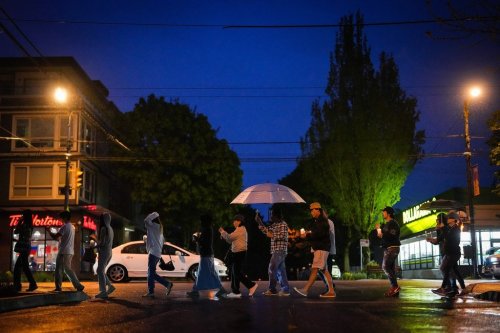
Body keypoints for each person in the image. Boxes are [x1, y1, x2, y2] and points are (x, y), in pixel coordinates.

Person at [293, 202, 335, 298]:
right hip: (321, 248)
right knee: (324, 270)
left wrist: (307, 235)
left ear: (318, 210)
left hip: (321, 248)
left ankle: (305, 289)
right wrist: (307, 235)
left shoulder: (322, 221)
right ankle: (331, 291)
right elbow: (316, 234)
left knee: (315, 269)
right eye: (310, 210)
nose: (311, 212)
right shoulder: (318, 221)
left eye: (313, 210)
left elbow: (318, 235)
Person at [219, 214, 258, 298]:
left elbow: (230, 237)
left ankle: (251, 285)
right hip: (237, 253)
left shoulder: (240, 229)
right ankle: (236, 291)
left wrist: (222, 232)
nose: (233, 222)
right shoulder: (239, 229)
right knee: (234, 272)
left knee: (236, 272)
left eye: (235, 221)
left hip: (239, 253)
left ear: (239, 221)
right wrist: (224, 235)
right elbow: (230, 240)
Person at [188, 214, 226, 300]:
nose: (200, 222)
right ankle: (195, 291)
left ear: (205, 221)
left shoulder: (207, 230)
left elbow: (205, 243)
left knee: (206, 273)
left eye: (202, 221)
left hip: (206, 254)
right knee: (205, 272)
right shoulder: (208, 229)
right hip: (207, 254)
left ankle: (196, 291)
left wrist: (197, 238)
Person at [427, 212, 463, 297]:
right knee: (452, 270)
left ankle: (450, 288)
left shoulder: (448, 228)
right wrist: (431, 239)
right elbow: (438, 240)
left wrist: (441, 229)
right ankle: (453, 288)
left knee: (448, 270)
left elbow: (444, 239)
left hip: (449, 252)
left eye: (438, 219)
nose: (436, 221)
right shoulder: (444, 228)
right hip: (446, 252)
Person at [48, 211, 85, 292]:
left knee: (60, 269)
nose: (61, 219)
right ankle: (78, 285)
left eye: (61, 218)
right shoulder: (72, 227)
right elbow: (61, 238)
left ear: (64, 218)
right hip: (70, 251)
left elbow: (55, 237)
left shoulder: (64, 227)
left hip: (63, 251)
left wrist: (49, 231)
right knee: (67, 269)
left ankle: (61, 287)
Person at [258, 208, 290, 296]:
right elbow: (267, 231)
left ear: (277, 216)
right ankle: (285, 290)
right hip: (276, 250)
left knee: (272, 268)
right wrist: (260, 222)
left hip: (280, 250)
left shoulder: (283, 224)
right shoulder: (275, 225)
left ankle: (272, 289)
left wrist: (272, 235)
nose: (271, 216)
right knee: (281, 270)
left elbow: (283, 236)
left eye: (272, 215)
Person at [142, 211, 173, 298]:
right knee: (151, 273)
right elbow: (161, 241)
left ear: (153, 219)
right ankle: (167, 284)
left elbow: (146, 220)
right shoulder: (160, 229)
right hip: (157, 253)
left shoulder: (153, 226)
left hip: (153, 253)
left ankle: (151, 291)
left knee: (150, 273)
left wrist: (155, 213)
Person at [375, 206, 401, 297]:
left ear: (388, 213)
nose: (383, 213)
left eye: (384, 212)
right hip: (388, 248)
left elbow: (392, 234)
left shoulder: (393, 223)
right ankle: (394, 289)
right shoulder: (387, 224)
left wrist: (383, 233)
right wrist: (378, 229)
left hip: (392, 248)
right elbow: (381, 236)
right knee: (391, 269)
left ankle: (395, 286)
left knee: (385, 267)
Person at [13, 209, 37, 292]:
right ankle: (22, 285)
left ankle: (20, 285)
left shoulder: (25, 225)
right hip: (26, 248)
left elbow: (16, 231)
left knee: (21, 267)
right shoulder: (29, 225)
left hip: (24, 248)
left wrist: (19, 221)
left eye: (23, 215)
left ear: (25, 216)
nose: (21, 216)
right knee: (21, 267)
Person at [95, 213, 115, 299]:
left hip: (104, 252)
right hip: (109, 252)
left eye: (101, 219)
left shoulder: (104, 228)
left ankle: (103, 291)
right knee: (101, 270)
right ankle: (110, 286)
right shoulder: (110, 229)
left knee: (99, 270)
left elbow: (102, 243)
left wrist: (95, 241)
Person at [317, 208, 336, 294]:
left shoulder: (328, 222)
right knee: (321, 269)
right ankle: (330, 286)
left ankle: (330, 287)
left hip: (327, 249)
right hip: (325, 249)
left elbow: (325, 235)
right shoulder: (322, 222)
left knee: (323, 269)